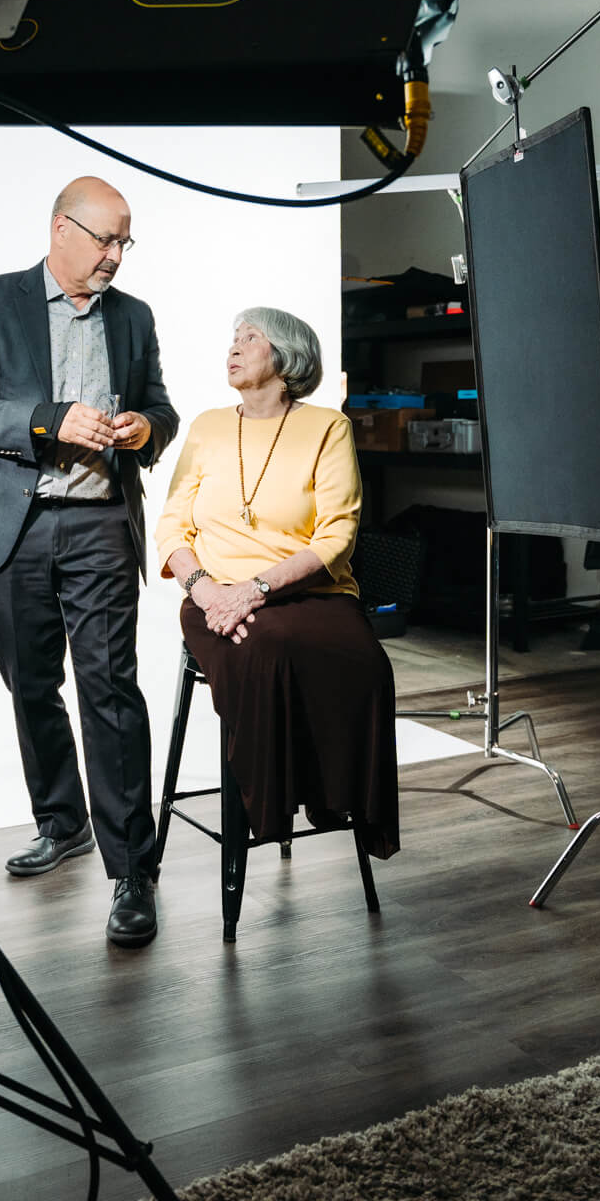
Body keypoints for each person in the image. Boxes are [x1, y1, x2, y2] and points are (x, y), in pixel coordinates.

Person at [0, 175, 178, 947]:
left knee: (110, 687)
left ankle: (133, 870)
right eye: (105, 239)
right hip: (13, 519)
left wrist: (147, 427)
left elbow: (163, 407)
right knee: (30, 683)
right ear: (60, 229)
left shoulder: (134, 317)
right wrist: (48, 421)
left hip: (100, 520)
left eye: (124, 241)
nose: (115, 256)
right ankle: (62, 821)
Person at [156, 307, 398, 862]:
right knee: (262, 645)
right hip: (211, 593)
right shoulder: (208, 426)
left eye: (250, 338)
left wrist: (256, 590)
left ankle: (334, 796)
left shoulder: (327, 428)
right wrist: (206, 589)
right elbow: (172, 523)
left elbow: (338, 533)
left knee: (368, 662)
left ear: (285, 356)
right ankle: (268, 801)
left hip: (308, 591)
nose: (234, 347)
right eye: (232, 338)